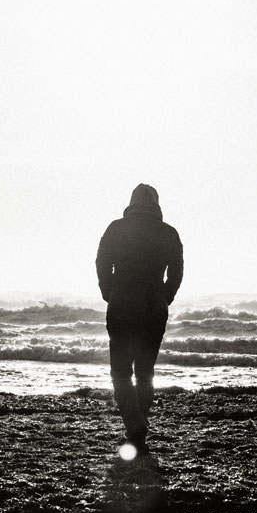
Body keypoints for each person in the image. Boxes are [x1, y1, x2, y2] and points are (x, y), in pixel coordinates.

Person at [95, 183, 184, 454]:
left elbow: (101, 262)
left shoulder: (116, 228)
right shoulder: (168, 232)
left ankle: (134, 423)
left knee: (121, 372)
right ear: (156, 203)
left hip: (122, 302)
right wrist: (165, 296)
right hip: (154, 305)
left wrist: (109, 292)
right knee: (145, 372)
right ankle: (139, 426)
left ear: (132, 202)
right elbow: (177, 271)